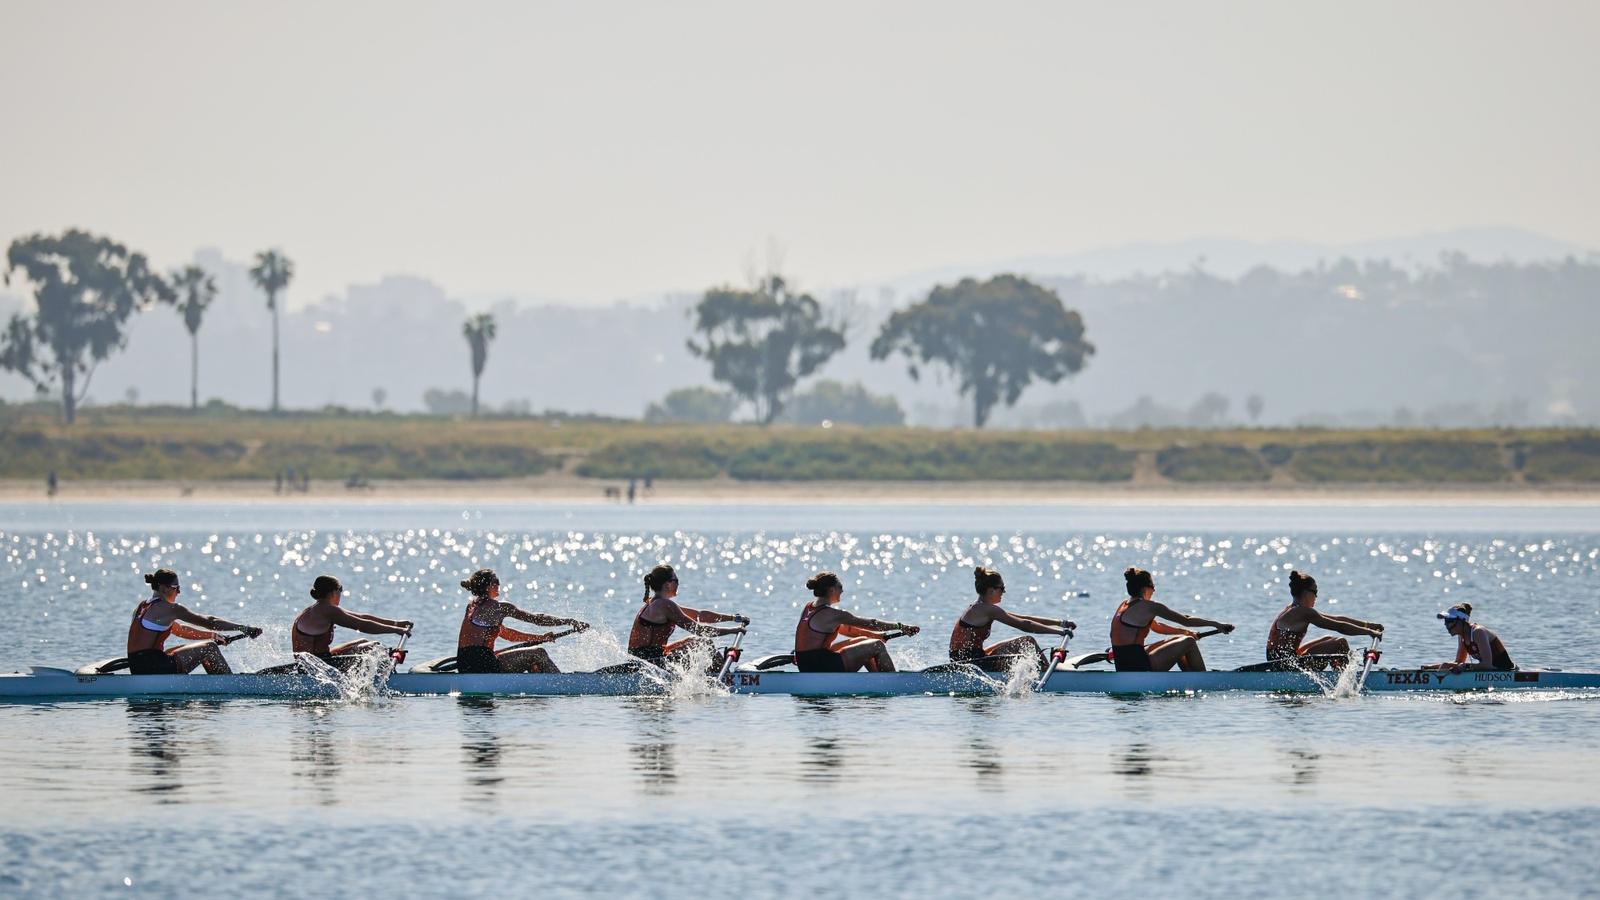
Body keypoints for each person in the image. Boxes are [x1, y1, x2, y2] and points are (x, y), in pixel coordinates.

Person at [126, 569, 263, 674]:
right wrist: (244, 628)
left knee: (185, 648)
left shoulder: (142, 606)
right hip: (153, 667)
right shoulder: (171, 609)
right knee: (209, 648)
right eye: (176, 587)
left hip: (137, 666)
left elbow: (180, 630)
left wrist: (213, 636)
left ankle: (218, 680)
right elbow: (210, 622)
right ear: (163, 588)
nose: (179, 591)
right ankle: (229, 683)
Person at [455, 569, 589, 673]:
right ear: (489, 586)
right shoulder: (500, 608)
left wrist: (541, 637)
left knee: (533, 663)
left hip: (464, 664)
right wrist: (569, 621)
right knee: (539, 654)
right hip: (484, 665)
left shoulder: (471, 607)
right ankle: (561, 684)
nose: (499, 585)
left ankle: (538, 686)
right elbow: (537, 619)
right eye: (496, 581)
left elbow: (508, 634)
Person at [1109, 567, 1234, 672]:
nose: (1154, 590)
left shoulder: (1123, 605)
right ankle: (1202, 679)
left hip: (1122, 665)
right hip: (1139, 667)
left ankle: (1189, 674)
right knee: (1189, 642)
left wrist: (1185, 632)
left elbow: (1158, 627)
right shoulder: (1150, 607)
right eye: (1153, 586)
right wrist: (1216, 624)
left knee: (1178, 640)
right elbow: (1186, 620)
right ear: (1145, 588)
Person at [949, 567, 1074, 672]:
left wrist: (1060, 623)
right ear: (991, 590)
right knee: (1028, 641)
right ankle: (1047, 672)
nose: (1004, 592)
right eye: (1002, 588)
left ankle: (1040, 669)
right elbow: (1025, 625)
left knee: (1019, 647)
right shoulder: (987, 610)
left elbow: (1024, 618)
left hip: (970, 658)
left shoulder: (982, 608)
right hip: (968, 663)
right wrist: (1060, 632)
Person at [795, 571, 921, 672]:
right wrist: (900, 626)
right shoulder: (834, 614)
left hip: (806, 663)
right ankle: (891, 681)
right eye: (840, 587)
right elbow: (872, 624)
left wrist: (876, 635)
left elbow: (846, 629)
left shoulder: (809, 607)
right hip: (820, 666)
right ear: (832, 590)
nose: (842, 591)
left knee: (866, 641)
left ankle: (877, 677)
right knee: (877, 645)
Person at [629, 564, 748, 668]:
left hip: (650, 656)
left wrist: (733, 618)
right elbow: (699, 629)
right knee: (705, 644)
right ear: (667, 585)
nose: (678, 584)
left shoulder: (658, 603)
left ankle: (715, 673)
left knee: (694, 641)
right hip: (648, 662)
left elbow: (699, 615)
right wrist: (733, 630)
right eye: (676, 581)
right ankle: (726, 678)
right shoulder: (664, 605)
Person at [1264, 571, 1383, 670]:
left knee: (1328, 638)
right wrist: (1370, 632)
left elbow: (1338, 619)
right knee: (1340, 643)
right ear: (1305, 593)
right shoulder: (1302, 612)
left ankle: (1340, 672)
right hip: (1285, 666)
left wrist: (1369, 626)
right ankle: (1344, 680)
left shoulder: (1295, 609)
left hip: (1285, 661)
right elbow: (1339, 626)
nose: (1316, 596)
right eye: (1315, 592)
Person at [291, 575, 413, 670]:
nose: (341, 594)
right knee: (373, 647)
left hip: (317, 660)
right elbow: (362, 625)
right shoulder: (328, 610)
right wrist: (396, 630)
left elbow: (362, 617)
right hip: (314, 667)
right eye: (340, 589)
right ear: (333, 592)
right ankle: (383, 677)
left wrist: (396, 624)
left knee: (363, 642)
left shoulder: (320, 608)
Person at [1424, 604, 1516, 672]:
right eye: (1445, 621)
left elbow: (1487, 665)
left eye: (1449, 621)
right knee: (1445, 665)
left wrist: (1466, 667)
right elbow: (1459, 662)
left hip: (1507, 671)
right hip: (1491, 672)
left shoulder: (1478, 632)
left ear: (1462, 621)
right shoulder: (1462, 636)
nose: (1446, 624)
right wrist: (1431, 667)